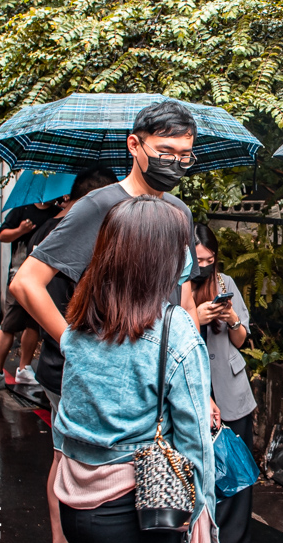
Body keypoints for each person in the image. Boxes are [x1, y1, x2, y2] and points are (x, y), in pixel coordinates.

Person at [53, 197, 216, 543]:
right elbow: (196, 439)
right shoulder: (174, 329)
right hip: (139, 509)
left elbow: (66, 421)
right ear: (159, 258)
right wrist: (201, 515)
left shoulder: (81, 318)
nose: (187, 259)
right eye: (180, 248)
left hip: (73, 504)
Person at [11, 99, 202, 362]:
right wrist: (77, 350)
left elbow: (186, 300)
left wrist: (195, 373)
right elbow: (25, 283)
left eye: (184, 156)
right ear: (134, 145)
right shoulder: (99, 205)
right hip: (112, 372)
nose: (175, 164)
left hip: (164, 369)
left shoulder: (180, 211)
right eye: (165, 153)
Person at [26, 166, 116, 543]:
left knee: (68, 458)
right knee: (71, 461)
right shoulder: (75, 240)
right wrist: (73, 344)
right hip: (68, 368)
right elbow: (27, 289)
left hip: (61, 364)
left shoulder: (55, 233)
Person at [192, 223, 256, 543]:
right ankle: (196, 537)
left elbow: (242, 340)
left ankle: (230, 540)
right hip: (193, 388)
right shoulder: (178, 285)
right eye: (198, 259)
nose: (204, 265)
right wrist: (195, 317)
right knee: (195, 466)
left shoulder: (226, 283)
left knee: (234, 463)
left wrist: (231, 319)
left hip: (230, 386)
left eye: (210, 259)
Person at [0, 197, 58, 393]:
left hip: (44, 277)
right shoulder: (21, 209)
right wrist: (21, 231)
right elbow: (3, 235)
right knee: (9, 324)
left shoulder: (57, 213)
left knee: (33, 324)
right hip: (19, 274)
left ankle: (24, 368)